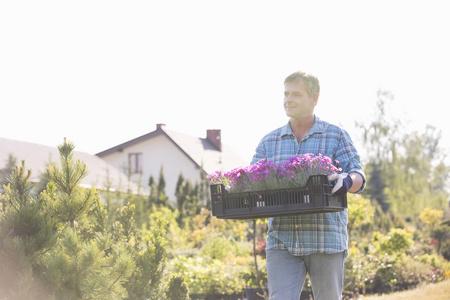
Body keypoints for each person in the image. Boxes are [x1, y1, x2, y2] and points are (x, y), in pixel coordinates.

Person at [250, 70, 366, 300]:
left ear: (314, 98)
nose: (288, 100)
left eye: (296, 94)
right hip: (283, 238)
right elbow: (251, 181)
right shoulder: (269, 142)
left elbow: (358, 176)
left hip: (324, 239)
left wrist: (346, 181)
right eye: (285, 94)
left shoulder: (335, 135)